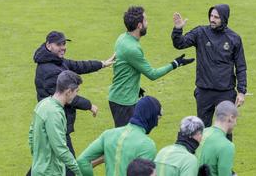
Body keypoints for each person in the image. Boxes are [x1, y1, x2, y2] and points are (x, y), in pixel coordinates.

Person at [27, 31, 115, 176]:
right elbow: (68, 96)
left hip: (51, 121)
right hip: (54, 122)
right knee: (67, 163)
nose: (63, 47)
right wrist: (89, 105)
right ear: (48, 46)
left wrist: (101, 64)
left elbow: (77, 65)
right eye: (59, 44)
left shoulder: (55, 60)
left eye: (64, 43)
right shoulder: (50, 71)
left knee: (44, 161)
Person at [109, 6, 194, 127]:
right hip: (124, 102)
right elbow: (152, 74)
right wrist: (175, 63)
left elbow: (124, 68)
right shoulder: (132, 49)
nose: (147, 23)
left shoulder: (122, 38)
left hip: (120, 97)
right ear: (139, 25)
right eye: (146, 20)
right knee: (127, 140)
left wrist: (136, 88)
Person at [171, 4, 247, 136]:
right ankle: (202, 156)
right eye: (211, 16)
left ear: (224, 18)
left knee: (226, 132)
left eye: (216, 17)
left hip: (226, 93)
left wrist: (241, 91)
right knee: (202, 132)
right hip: (204, 92)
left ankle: (224, 155)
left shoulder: (234, 38)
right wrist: (178, 30)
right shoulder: (200, 33)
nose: (212, 19)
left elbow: (240, 66)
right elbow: (180, 44)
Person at [77, 96, 162, 176]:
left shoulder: (108, 134)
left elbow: (82, 161)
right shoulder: (147, 145)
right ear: (151, 117)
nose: (157, 124)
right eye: (157, 119)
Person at [28, 70, 83, 176]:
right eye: (76, 91)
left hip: (38, 169)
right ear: (68, 92)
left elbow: (31, 136)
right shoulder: (54, 113)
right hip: (50, 172)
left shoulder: (42, 104)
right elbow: (60, 148)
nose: (76, 95)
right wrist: (78, 171)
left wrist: (38, 159)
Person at [196, 100, 238, 176]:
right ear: (231, 118)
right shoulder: (227, 146)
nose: (236, 123)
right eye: (236, 119)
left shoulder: (200, 133)